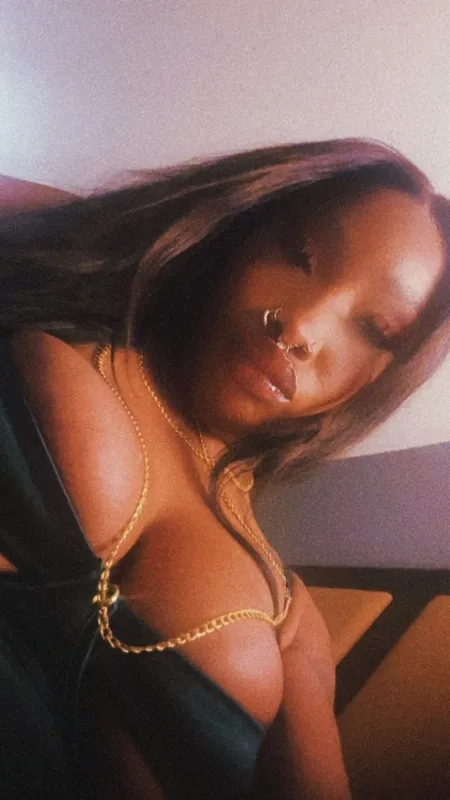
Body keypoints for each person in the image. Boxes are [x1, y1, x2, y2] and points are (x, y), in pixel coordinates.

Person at [0, 138, 449, 800]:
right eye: (299, 256)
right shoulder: (62, 322)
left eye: (376, 330)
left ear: (378, 381)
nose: (301, 326)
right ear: (240, 235)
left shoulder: (286, 614)